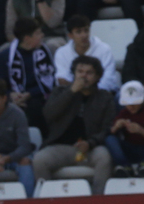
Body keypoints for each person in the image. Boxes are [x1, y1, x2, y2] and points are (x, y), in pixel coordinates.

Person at [32, 54, 115, 191]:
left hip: (90, 148)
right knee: (40, 160)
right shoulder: (60, 91)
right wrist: (71, 92)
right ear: (73, 73)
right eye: (80, 72)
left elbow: (108, 128)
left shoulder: (105, 98)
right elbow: (48, 114)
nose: (84, 76)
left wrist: (90, 143)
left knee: (104, 157)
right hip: (61, 146)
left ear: (98, 76)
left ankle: (99, 202)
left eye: (89, 73)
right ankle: (49, 201)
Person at [1, 17, 56, 130]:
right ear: (27, 38)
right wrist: (10, 95)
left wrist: (30, 94)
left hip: (38, 96)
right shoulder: (5, 57)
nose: (42, 36)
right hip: (13, 97)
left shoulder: (45, 52)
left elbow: (51, 80)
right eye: (38, 33)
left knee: (34, 106)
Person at [105, 79, 144, 177]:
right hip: (129, 149)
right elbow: (109, 134)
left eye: (135, 102)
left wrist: (141, 130)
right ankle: (124, 165)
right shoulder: (123, 113)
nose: (131, 106)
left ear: (143, 100)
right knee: (110, 139)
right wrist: (116, 126)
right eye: (128, 103)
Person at [53, 14, 118, 92]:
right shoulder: (61, 53)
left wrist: (89, 93)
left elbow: (108, 78)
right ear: (70, 35)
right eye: (78, 32)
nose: (84, 35)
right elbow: (62, 79)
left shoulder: (104, 49)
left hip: (100, 94)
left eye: (86, 30)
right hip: (73, 96)